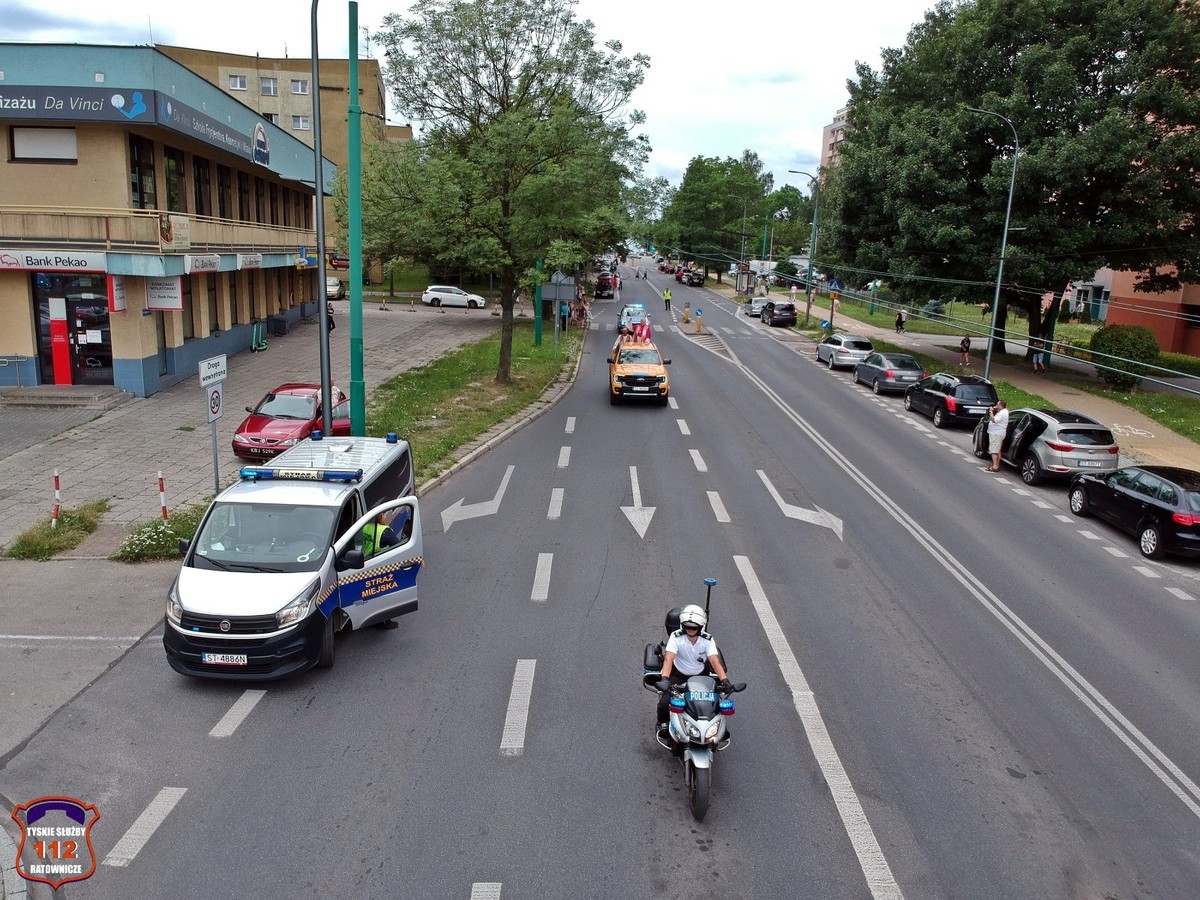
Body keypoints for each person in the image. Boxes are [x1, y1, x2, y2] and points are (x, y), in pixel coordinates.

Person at [657, 604, 730, 736]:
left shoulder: (707, 639)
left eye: (694, 627)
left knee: (715, 705)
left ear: (700, 626)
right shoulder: (676, 637)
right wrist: (664, 679)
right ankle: (662, 724)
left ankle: (717, 730)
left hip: (701, 677)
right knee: (664, 703)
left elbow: (714, 660)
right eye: (687, 627)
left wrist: (725, 680)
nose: (690, 630)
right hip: (678, 675)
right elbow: (669, 659)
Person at [986, 400, 1008, 472]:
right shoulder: (1003, 412)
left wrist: (991, 412)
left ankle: (995, 466)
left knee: (994, 450)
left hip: (996, 434)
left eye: (997, 404)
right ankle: (997, 465)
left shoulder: (1002, 413)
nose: (996, 405)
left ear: (1000, 405)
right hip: (998, 433)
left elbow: (994, 420)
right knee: (998, 450)